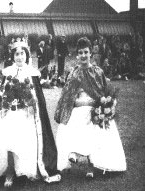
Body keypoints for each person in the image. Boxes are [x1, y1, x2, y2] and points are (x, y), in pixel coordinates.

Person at [0, 38, 61, 187]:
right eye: (17, 54)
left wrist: (29, 105)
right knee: (7, 140)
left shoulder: (32, 74)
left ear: (27, 55)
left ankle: (23, 170)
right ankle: (10, 172)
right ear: (13, 56)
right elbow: (1, 94)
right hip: (10, 112)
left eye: (22, 54)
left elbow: (37, 99)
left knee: (25, 141)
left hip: (26, 114)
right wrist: (4, 103)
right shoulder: (8, 72)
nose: (19, 57)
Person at [54, 37, 126, 178]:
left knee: (93, 126)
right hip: (77, 108)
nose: (83, 55)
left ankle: (91, 166)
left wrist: (106, 104)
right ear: (77, 55)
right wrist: (75, 104)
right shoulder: (74, 73)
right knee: (70, 124)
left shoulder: (97, 72)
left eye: (86, 52)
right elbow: (67, 97)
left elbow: (105, 92)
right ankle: (73, 152)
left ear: (90, 54)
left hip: (94, 109)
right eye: (80, 53)